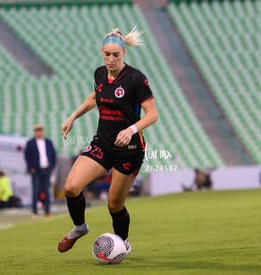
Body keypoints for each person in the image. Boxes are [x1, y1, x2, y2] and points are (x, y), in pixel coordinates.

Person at [57, 27, 158, 254]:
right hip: (102, 144)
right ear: (102, 53)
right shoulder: (99, 74)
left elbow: (153, 114)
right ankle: (80, 227)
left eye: (115, 55)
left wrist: (132, 129)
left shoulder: (136, 79)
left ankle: (122, 243)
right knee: (71, 187)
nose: (110, 60)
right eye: (106, 55)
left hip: (129, 149)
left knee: (114, 205)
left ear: (124, 53)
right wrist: (73, 116)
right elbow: (94, 97)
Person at [24, 124, 57, 218]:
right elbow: (27, 156)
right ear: (35, 132)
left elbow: (53, 155)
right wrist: (31, 168)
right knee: (35, 191)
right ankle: (35, 212)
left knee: (47, 191)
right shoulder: (30, 143)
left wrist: (52, 166)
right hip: (36, 171)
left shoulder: (48, 142)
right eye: (37, 130)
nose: (39, 132)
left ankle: (47, 211)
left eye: (40, 130)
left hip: (47, 170)